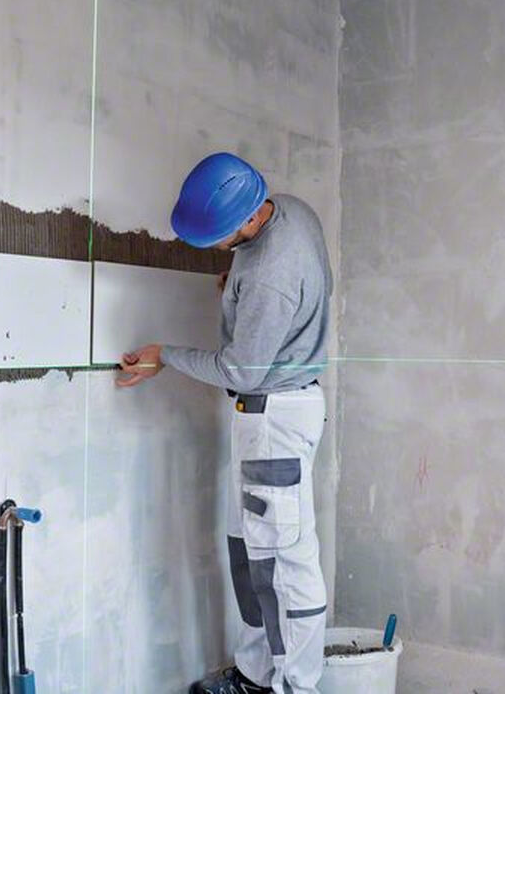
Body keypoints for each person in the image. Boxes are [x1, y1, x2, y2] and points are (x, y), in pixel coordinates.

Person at [115, 152, 333, 694]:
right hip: (273, 413)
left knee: (284, 563)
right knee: (250, 551)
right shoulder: (291, 211)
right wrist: (237, 288)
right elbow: (291, 283)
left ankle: (295, 690)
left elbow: (242, 370)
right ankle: (256, 676)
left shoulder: (268, 276)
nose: (215, 248)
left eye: (218, 239)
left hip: (274, 417)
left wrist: (166, 356)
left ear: (248, 220)